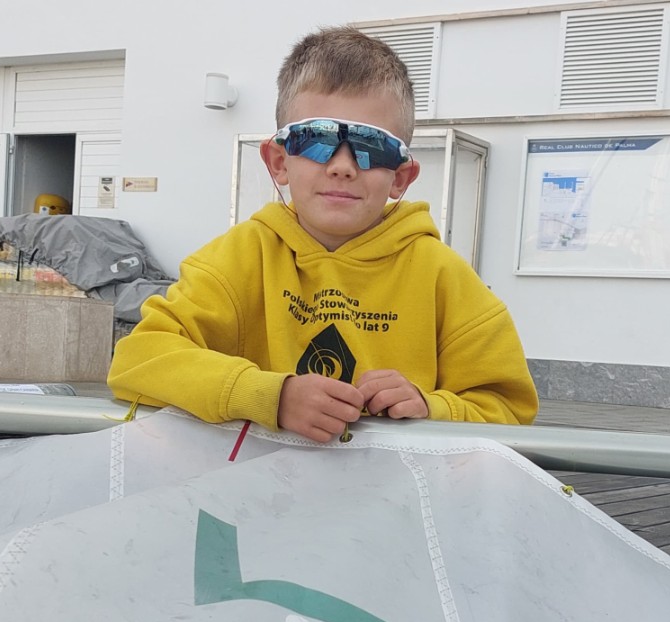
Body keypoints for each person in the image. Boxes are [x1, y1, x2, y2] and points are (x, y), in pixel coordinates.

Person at [107, 26, 538, 443]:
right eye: (316, 139)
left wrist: (431, 408)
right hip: (256, 504)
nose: (342, 165)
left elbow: (508, 409)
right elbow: (138, 360)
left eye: (371, 147)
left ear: (400, 177)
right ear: (279, 161)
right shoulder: (238, 259)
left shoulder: (445, 278)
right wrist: (268, 397)